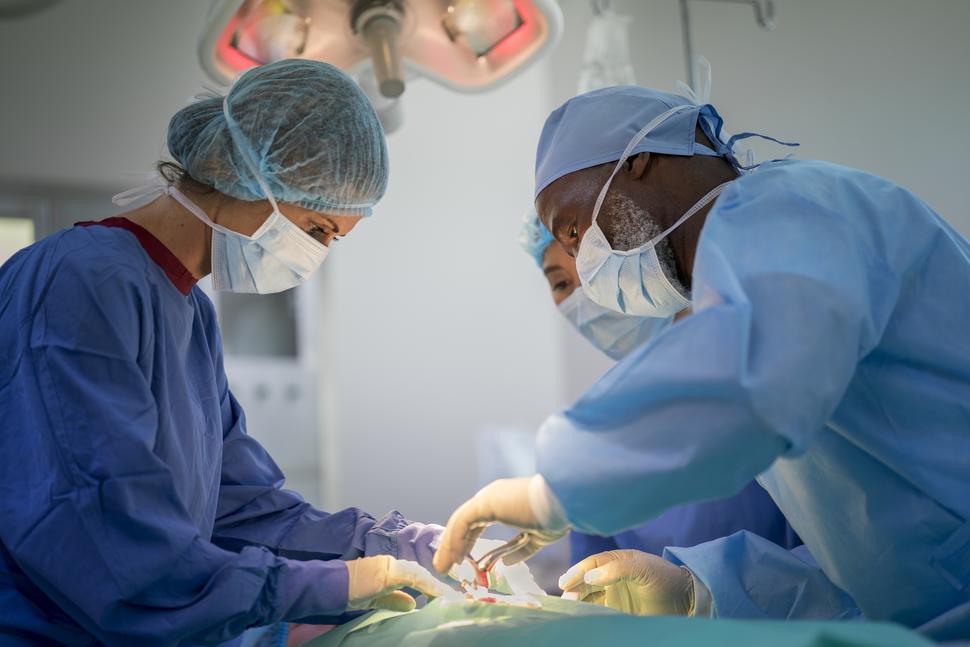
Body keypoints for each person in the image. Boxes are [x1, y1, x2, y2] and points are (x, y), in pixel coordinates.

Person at [434, 85, 970, 640]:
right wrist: (703, 590)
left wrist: (554, 490)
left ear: (639, 161)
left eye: (575, 229)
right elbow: (878, 566)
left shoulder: (791, 209)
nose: (587, 265)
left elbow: (747, 386)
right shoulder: (754, 276)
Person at [0, 59, 458, 646]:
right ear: (241, 172)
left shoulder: (190, 312)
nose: (316, 254)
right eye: (316, 228)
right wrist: (332, 586)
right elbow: (106, 537)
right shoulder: (84, 281)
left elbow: (241, 509)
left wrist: (405, 548)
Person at [518, 209, 800, 568]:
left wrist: (705, 591)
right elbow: (588, 587)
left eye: (591, 269)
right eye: (561, 283)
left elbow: (834, 565)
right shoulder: (595, 425)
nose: (583, 296)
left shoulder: (751, 371)